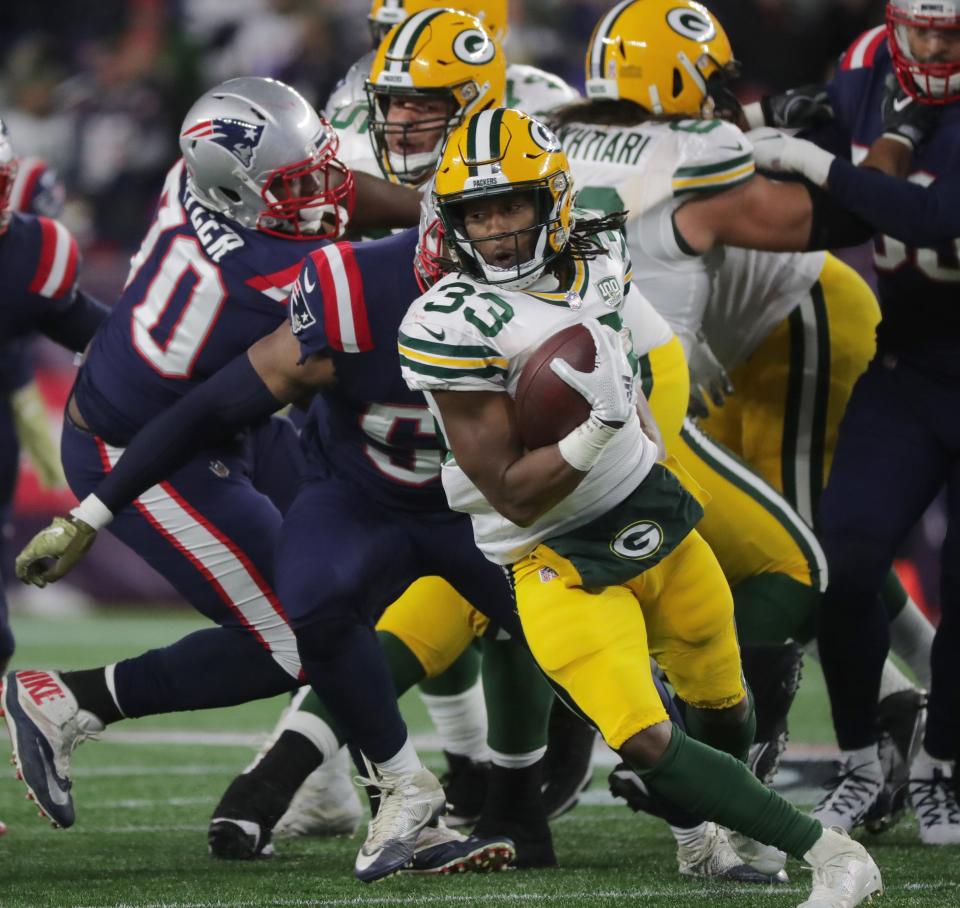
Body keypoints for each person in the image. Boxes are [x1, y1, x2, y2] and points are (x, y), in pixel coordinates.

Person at [399, 104, 882, 908]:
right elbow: (513, 493)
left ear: (553, 199)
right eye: (475, 213)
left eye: (510, 204)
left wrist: (647, 426)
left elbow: (625, 330)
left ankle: (707, 840)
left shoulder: (598, 244)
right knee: (646, 735)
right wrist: (601, 429)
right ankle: (829, 854)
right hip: (554, 554)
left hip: (650, 511)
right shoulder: (451, 321)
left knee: (725, 706)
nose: (494, 230)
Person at [0, 75, 413, 834]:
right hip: (152, 449)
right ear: (243, 191)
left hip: (224, 415)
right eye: (299, 182)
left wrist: (441, 214)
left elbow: (339, 194)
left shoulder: (200, 180)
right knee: (300, 639)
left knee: (355, 575)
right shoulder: (275, 276)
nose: (323, 189)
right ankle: (71, 700)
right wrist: (442, 241)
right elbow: (372, 280)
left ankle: (324, 782)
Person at [739, 0, 960, 845]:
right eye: (924, 29)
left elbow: (932, 218)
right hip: (906, 362)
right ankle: (867, 760)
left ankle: (942, 762)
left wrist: (809, 162)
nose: (936, 46)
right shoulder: (869, 62)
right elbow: (820, 122)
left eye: (953, 32)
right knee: (847, 558)